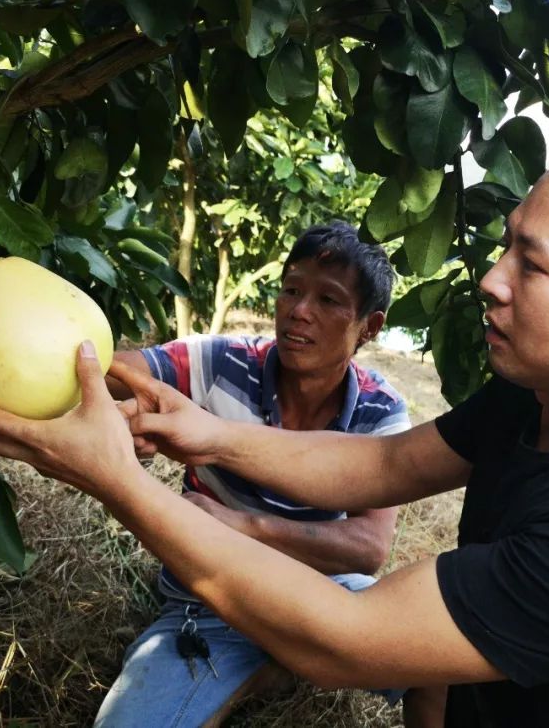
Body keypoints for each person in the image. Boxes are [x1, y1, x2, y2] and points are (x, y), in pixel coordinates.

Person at [0, 142, 549, 727]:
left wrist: (116, 481)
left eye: (531, 266)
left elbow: (346, 638)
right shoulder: (542, 396)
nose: (490, 278)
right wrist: (207, 435)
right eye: (505, 245)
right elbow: (384, 465)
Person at [93, 222, 413, 727]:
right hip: (208, 596)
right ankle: (271, 661)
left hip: (314, 601)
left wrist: (236, 525)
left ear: (370, 327)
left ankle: (278, 655)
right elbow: (118, 373)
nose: (298, 311)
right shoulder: (222, 362)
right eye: (291, 289)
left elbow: (368, 546)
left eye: (328, 300)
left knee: (438, 654)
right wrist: (102, 394)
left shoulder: (382, 411)